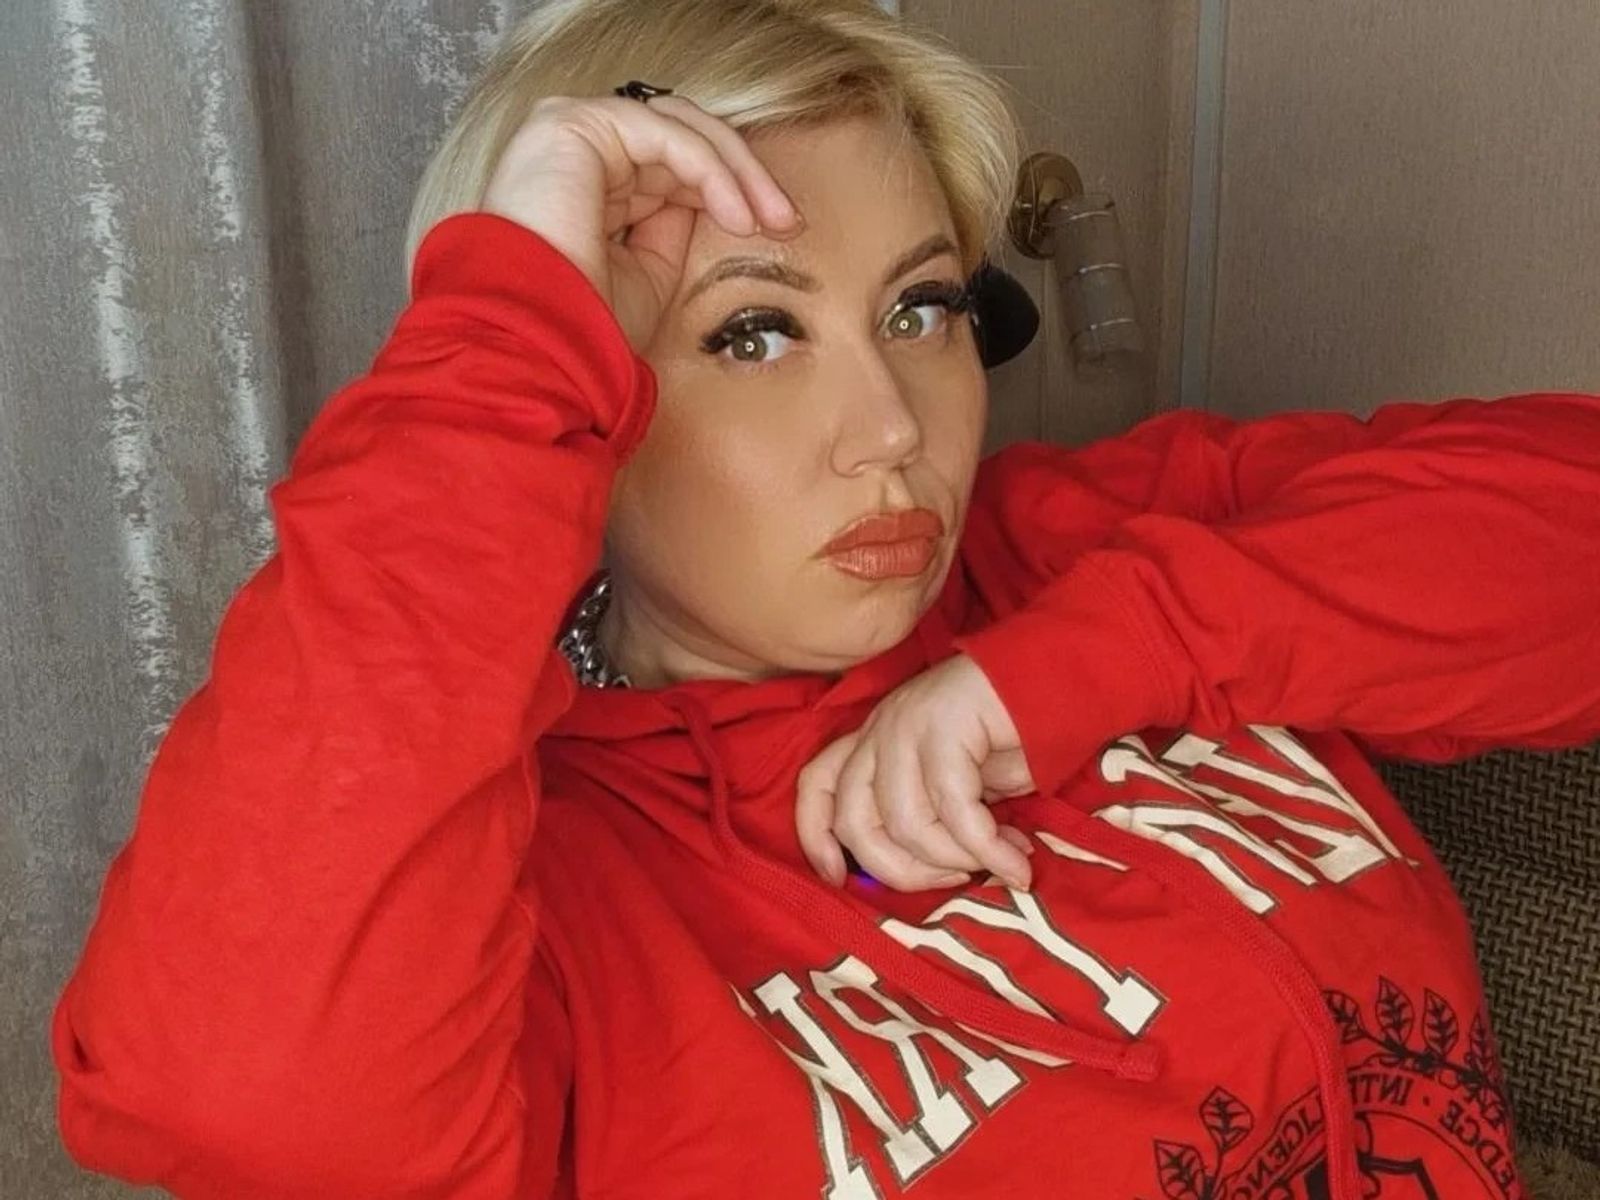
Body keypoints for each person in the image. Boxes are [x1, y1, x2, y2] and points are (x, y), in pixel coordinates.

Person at [50, 1, 1600, 1197]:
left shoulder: (1076, 546)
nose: (892, 430)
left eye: (919, 308)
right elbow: (244, 1105)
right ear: (581, 393)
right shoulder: (532, 891)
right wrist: (501, 345)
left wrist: (1101, 659)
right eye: (752, 333)